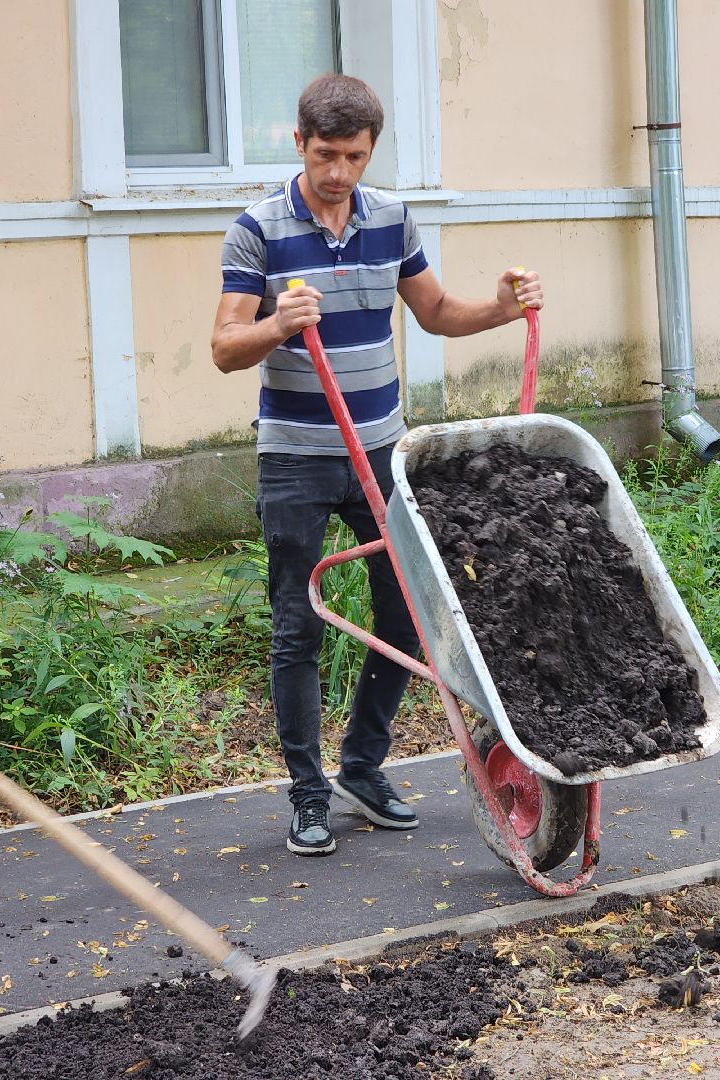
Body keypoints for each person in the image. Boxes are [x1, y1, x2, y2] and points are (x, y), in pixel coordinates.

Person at [211, 74, 544, 856]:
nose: (338, 173)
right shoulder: (255, 230)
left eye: (353, 157)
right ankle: (307, 794)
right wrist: (277, 324)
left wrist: (501, 306)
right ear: (299, 144)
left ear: (370, 151)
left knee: (408, 614)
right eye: (324, 155)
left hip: (381, 453)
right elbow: (224, 348)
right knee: (297, 626)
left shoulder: (391, 219)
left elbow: (433, 313)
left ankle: (362, 766)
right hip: (294, 457)